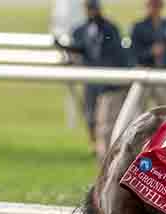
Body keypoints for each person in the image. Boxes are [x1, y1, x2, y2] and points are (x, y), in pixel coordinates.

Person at [56, 0, 129, 160]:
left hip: (108, 82)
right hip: (91, 81)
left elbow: (115, 53)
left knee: (106, 120)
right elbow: (81, 49)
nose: (91, 11)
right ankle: (96, 146)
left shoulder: (110, 28)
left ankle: (107, 152)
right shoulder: (82, 29)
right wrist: (63, 47)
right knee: (90, 115)